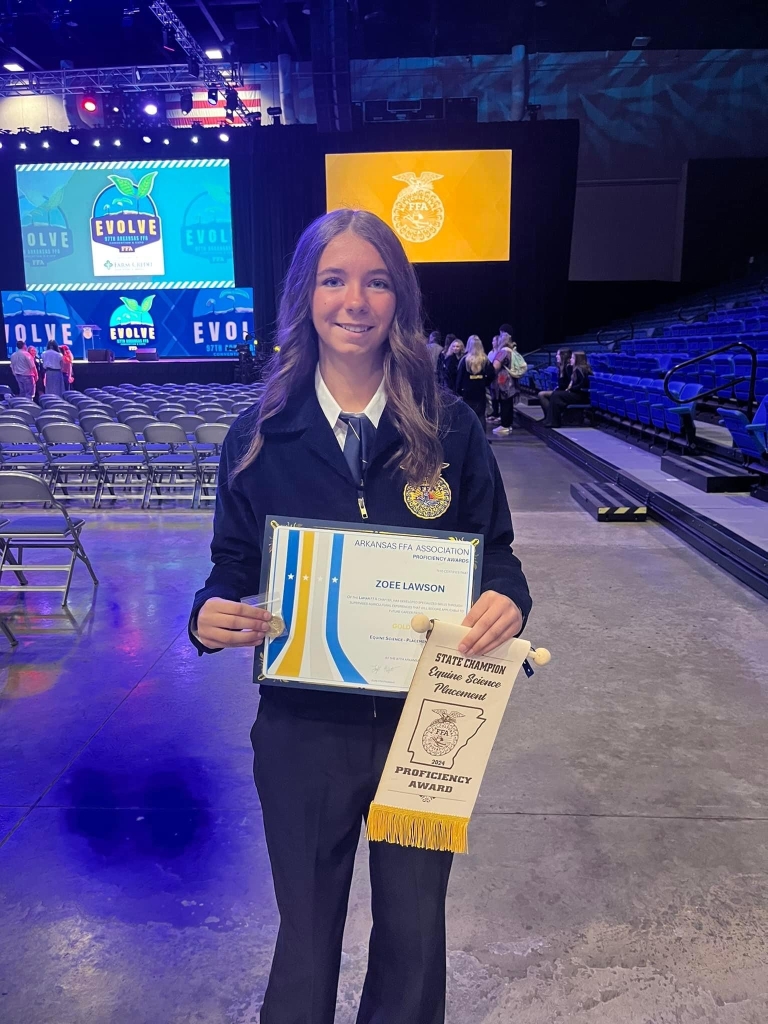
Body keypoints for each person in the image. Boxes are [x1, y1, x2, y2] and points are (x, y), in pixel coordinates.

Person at [190, 209, 532, 1024]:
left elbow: (500, 558)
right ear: (304, 295)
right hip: (303, 729)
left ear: (400, 299)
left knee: (415, 936)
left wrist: (507, 603)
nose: (355, 300)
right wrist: (208, 615)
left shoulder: (450, 427)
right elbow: (231, 567)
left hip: (431, 725)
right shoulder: (260, 434)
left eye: (377, 280)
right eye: (334, 279)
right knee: (307, 934)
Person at [455, 335, 495, 425]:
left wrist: (458, 391)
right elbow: (492, 374)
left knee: (467, 417)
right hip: (480, 392)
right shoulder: (485, 360)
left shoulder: (464, 360)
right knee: (481, 416)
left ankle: (469, 438)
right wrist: (484, 382)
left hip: (467, 392)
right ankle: (481, 438)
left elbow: (459, 379)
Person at [491, 333, 526, 436]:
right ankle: (508, 425)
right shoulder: (512, 351)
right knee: (509, 403)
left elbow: (496, 366)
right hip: (512, 380)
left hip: (504, 381)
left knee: (505, 402)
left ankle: (504, 425)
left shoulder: (503, 352)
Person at [547, 350, 592, 427]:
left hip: (580, 396)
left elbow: (582, 385)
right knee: (556, 394)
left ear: (578, 360)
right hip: (575, 393)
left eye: (573, 358)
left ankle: (555, 421)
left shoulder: (581, 370)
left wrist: (571, 389)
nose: (570, 359)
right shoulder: (576, 369)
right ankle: (553, 421)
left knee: (556, 395)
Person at [538, 348, 572, 423]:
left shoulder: (568, 367)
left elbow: (570, 383)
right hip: (561, 390)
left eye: (558, 354)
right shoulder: (561, 367)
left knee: (542, 394)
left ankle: (551, 418)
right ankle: (548, 417)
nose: (556, 356)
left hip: (566, 392)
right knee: (542, 394)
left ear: (564, 356)